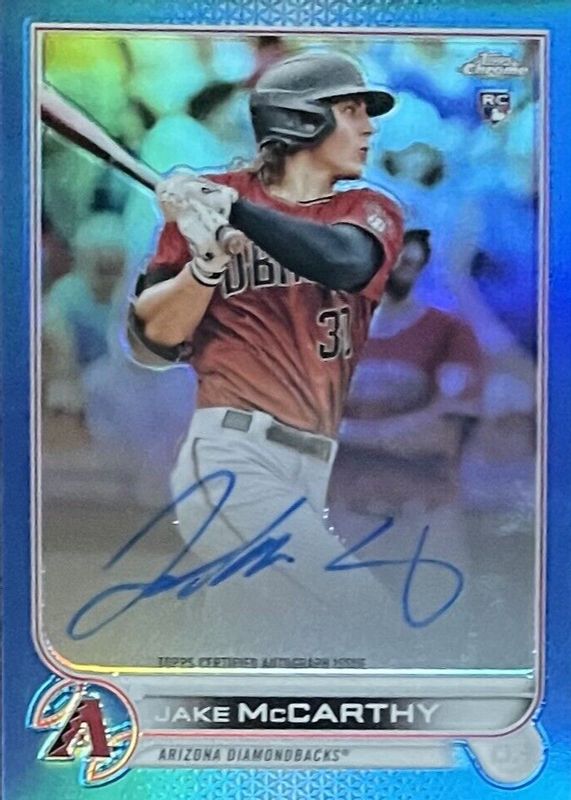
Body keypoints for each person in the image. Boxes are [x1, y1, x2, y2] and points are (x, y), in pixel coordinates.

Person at [128, 52, 404, 659]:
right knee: (373, 621)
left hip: (312, 468)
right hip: (231, 457)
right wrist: (206, 263)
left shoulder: (369, 211)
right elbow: (152, 341)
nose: (369, 127)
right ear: (301, 120)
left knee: (251, 647)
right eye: (351, 110)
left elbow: (343, 263)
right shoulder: (209, 203)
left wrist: (236, 212)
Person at [328, 229, 484, 664]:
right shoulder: (324, 334)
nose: (400, 269)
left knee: (440, 654)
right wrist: (400, 430)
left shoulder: (449, 332)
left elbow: (439, 439)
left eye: (411, 260)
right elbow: (291, 428)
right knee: (344, 654)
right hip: (346, 520)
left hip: (425, 519)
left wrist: (342, 433)